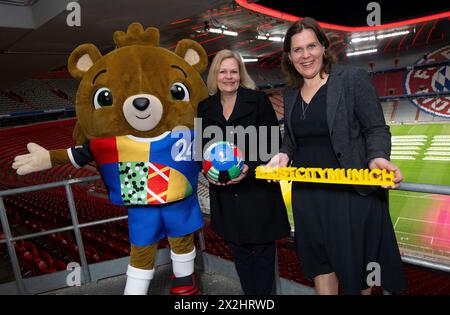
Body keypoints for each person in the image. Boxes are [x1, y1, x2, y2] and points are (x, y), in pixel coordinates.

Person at [266, 18, 406, 295]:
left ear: (324, 47)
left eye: (311, 46)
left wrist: (376, 157)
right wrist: (284, 154)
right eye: (297, 50)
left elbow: (376, 128)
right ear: (289, 56)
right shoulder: (291, 92)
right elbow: (292, 138)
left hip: (350, 195)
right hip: (308, 194)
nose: (305, 55)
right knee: (320, 264)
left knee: (358, 274)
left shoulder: (351, 79)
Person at [197, 49, 291, 295]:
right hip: (225, 196)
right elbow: (201, 151)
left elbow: (271, 146)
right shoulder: (204, 107)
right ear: (215, 75)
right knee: (239, 254)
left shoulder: (257, 101)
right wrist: (207, 172)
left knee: (262, 254)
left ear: (241, 74)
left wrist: (247, 168)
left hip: (257, 192)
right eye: (223, 71)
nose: (228, 76)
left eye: (234, 71)